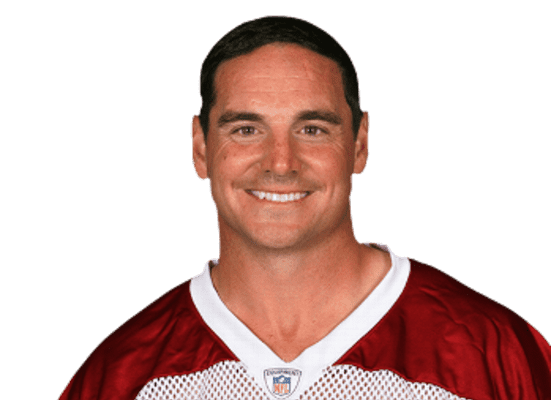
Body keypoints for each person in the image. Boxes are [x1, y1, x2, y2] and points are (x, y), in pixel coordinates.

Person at [58, 15, 550, 400]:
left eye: (312, 129)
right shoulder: (122, 374)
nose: (280, 162)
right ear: (200, 148)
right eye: (245, 129)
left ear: (360, 144)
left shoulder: (493, 350)